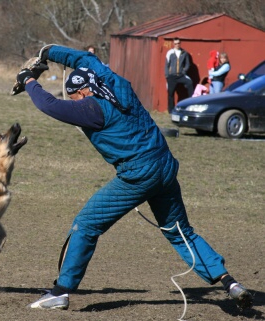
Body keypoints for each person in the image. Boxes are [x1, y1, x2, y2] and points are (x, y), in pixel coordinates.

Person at [15, 45, 253, 312]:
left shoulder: (91, 109)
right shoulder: (114, 83)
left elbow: (50, 105)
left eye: (74, 97)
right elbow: (86, 59)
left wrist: (29, 81)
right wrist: (48, 52)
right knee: (180, 233)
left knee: (86, 224)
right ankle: (230, 283)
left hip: (139, 175)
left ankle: (60, 292)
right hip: (164, 166)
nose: (74, 103)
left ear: (82, 92)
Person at [165, 38, 193, 113]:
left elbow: (187, 64)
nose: (177, 45)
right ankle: (171, 110)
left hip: (181, 75)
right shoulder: (170, 52)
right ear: (173, 44)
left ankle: (191, 105)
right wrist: (167, 76)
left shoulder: (184, 53)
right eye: (175, 43)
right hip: (172, 76)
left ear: (180, 43)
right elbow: (166, 65)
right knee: (170, 93)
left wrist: (184, 71)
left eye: (178, 43)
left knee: (189, 83)